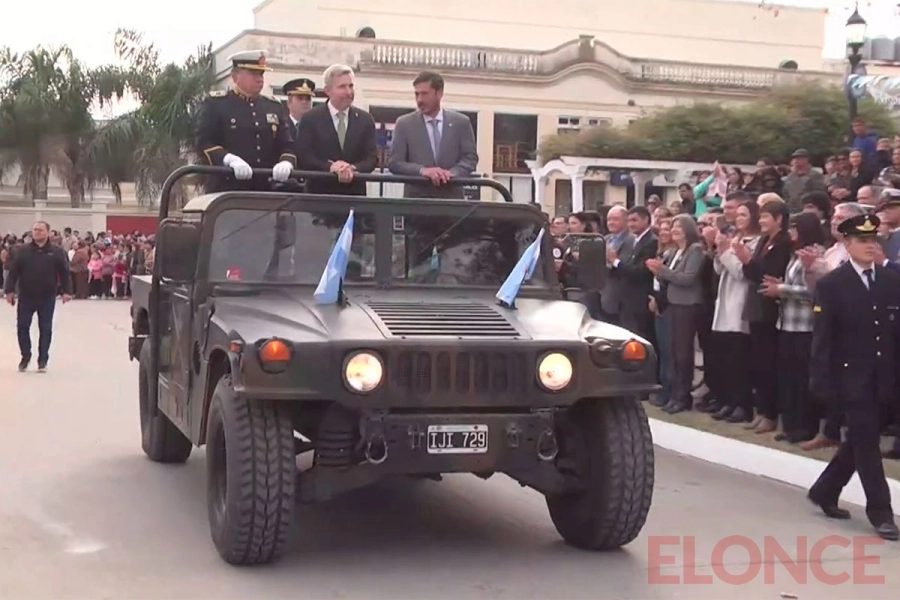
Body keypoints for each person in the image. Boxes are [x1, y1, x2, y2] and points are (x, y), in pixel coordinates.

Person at [806, 212, 900, 541]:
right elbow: (823, 338)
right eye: (862, 240)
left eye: (874, 239)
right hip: (851, 379)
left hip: (886, 378)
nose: (870, 246)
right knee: (868, 445)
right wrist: (821, 381)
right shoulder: (832, 284)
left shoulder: (891, 282)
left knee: (860, 441)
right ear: (847, 244)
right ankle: (881, 512)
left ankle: (825, 490)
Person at [194, 50, 297, 193]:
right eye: (253, 73)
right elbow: (204, 143)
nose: (260, 79)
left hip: (266, 190)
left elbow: (287, 144)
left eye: (261, 74)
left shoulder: (273, 106)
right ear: (235, 77)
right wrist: (229, 159)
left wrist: (286, 162)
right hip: (228, 190)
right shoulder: (217, 104)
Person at [387, 71, 478, 199]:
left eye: (424, 94)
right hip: (417, 205)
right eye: (417, 94)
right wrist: (423, 171)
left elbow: (470, 159)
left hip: (452, 203)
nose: (419, 100)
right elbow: (394, 163)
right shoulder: (404, 124)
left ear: (439, 93)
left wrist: (451, 174)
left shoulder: (461, 123)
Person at [295, 63, 377, 196]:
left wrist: (351, 168)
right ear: (328, 91)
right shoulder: (310, 118)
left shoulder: (365, 119)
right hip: (319, 196)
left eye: (351, 86)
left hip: (354, 195)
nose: (349, 92)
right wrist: (331, 167)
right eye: (342, 87)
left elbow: (371, 158)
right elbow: (305, 156)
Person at [3, 221, 72, 372]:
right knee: (22, 327)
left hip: (47, 297)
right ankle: (25, 356)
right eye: (34, 230)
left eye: (40, 230)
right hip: (26, 296)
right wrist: (9, 291)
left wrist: (67, 291)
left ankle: (42, 360)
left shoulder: (57, 252)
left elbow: (64, 273)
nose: (37, 233)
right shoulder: (23, 251)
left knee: (45, 329)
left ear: (48, 232)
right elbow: (13, 272)